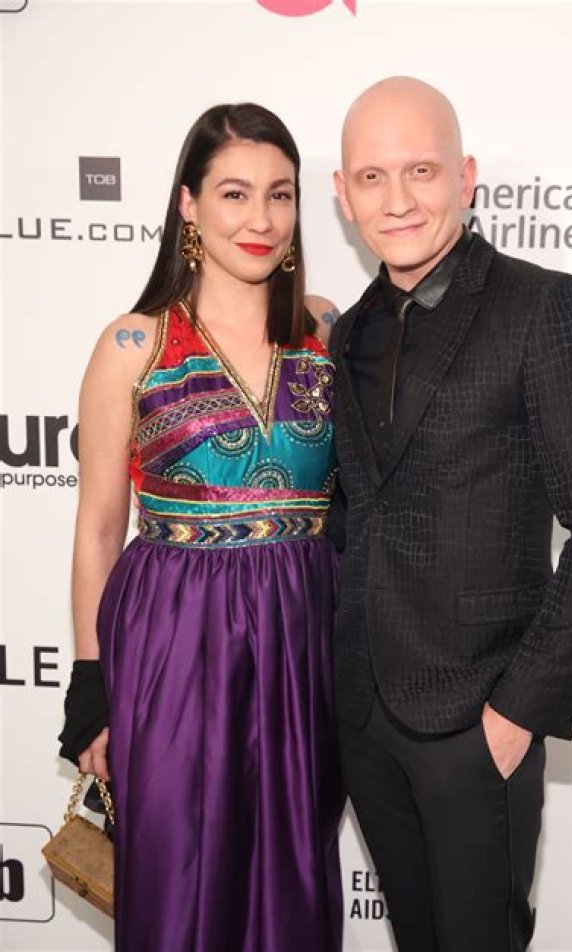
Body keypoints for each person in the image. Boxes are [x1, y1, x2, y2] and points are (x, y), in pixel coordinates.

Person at [330, 76, 572, 952]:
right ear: (344, 194)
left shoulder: (542, 306)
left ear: (465, 176)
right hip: (364, 719)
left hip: (477, 723)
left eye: (421, 170)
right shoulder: (347, 333)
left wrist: (516, 714)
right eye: (372, 178)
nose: (397, 201)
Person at [58, 103, 344, 952]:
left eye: (280, 195)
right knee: (180, 870)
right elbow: (99, 527)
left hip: (305, 635)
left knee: (294, 869)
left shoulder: (325, 330)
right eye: (234, 193)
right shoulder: (133, 345)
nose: (261, 219)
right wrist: (92, 684)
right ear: (188, 204)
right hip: (176, 636)